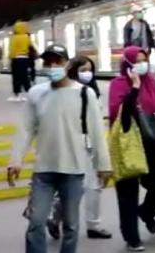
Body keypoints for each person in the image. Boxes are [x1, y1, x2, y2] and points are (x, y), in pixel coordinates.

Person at [8, 44, 111, 253]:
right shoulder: (36, 93)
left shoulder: (85, 94)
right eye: (48, 62)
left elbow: (97, 132)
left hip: (74, 170)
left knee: (71, 225)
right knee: (36, 222)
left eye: (58, 61)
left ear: (67, 64)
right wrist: (15, 160)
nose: (53, 66)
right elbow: (26, 129)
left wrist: (104, 165)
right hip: (43, 171)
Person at [46, 55, 112, 241]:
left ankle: (93, 224)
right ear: (73, 71)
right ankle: (55, 216)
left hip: (92, 144)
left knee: (94, 186)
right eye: (82, 70)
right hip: (74, 145)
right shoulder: (67, 92)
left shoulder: (93, 91)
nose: (87, 73)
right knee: (75, 186)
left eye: (90, 69)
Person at [108, 46, 155, 251]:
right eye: (138, 60)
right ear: (128, 64)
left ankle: (146, 212)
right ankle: (131, 236)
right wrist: (133, 88)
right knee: (128, 194)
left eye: (145, 59)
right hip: (129, 144)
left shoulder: (151, 81)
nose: (143, 64)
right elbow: (118, 113)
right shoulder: (118, 84)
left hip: (151, 144)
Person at [8, 21, 34, 102]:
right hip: (25, 58)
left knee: (16, 77)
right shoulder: (27, 37)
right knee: (25, 77)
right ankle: (28, 94)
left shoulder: (14, 38)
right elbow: (31, 46)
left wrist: (10, 58)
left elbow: (12, 49)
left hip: (16, 59)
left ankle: (17, 95)